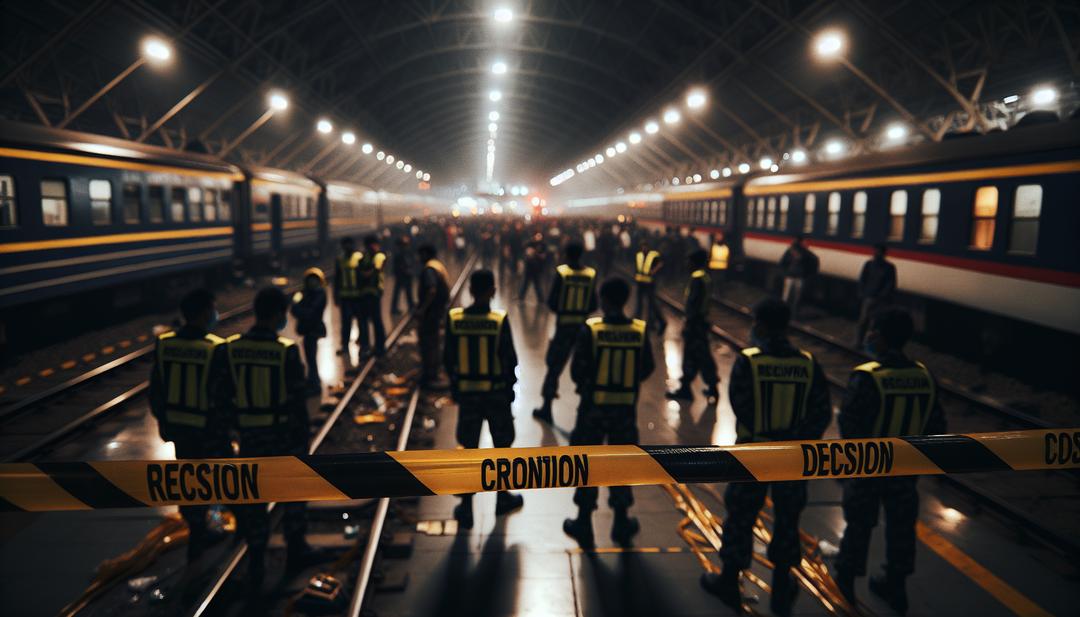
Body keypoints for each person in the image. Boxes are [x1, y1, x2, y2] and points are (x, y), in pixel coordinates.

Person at [701, 298, 831, 617]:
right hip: (792, 458)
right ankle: (783, 584)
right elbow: (820, 414)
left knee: (741, 517)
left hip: (752, 456)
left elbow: (741, 404)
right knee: (788, 520)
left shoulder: (750, 360)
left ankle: (730, 579)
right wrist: (794, 441)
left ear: (758, 324)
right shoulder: (808, 363)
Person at [834, 309, 945, 613]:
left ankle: (845, 582)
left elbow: (850, 424)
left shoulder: (868, 376)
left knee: (859, 523)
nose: (868, 335)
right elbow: (937, 427)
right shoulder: (924, 376)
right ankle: (896, 587)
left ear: (880, 336)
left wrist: (851, 464)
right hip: (906, 469)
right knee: (901, 527)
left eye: (872, 330)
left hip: (869, 468)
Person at [226, 288, 322, 591]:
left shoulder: (232, 348)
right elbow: (297, 401)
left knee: (255, 499)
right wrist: (302, 440)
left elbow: (223, 395)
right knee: (292, 494)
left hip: (250, 439)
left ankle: (256, 561)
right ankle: (296, 550)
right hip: (282, 437)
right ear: (280, 314)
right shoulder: (285, 350)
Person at [563, 277, 654, 549]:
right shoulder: (638, 330)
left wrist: (590, 385)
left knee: (587, 464)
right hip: (624, 412)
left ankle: (583, 522)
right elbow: (647, 366)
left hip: (592, 410)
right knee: (621, 465)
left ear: (603, 299)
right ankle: (621, 522)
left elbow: (577, 369)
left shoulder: (591, 329)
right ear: (625, 300)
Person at [148, 289, 230, 564]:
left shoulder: (165, 344)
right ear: (207, 312)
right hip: (209, 433)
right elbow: (224, 397)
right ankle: (229, 536)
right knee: (223, 481)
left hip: (179, 431)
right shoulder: (215, 346)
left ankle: (198, 532)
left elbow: (156, 391)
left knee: (188, 483)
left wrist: (164, 422)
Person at [443, 270, 524, 528]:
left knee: (468, 450)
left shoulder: (455, 319)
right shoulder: (499, 320)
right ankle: (502, 498)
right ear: (492, 290)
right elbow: (510, 359)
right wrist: (510, 389)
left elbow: (448, 358)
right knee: (502, 448)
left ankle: (466, 507)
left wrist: (456, 387)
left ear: (470, 291)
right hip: (496, 396)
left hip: (468, 397)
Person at [533, 242, 598, 422]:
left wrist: (564, 311)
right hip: (582, 331)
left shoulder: (562, 273)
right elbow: (594, 304)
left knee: (554, 367)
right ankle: (583, 411)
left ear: (566, 255)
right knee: (585, 370)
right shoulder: (590, 274)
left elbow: (552, 302)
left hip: (563, 330)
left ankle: (547, 408)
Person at [666, 250, 720, 403]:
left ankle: (688, 390)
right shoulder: (706, 277)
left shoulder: (697, 279)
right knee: (701, 356)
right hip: (701, 322)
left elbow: (693, 304)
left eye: (689, 261)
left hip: (695, 324)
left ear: (695, 263)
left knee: (695, 356)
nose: (686, 264)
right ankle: (708, 387)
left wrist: (688, 323)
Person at [416, 243, 451, 388]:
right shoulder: (437, 265)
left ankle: (430, 374)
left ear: (425, 254)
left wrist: (422, 309)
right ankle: (433, 372)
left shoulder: (429, 269)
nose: (418, 258)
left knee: (428, 343)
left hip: (431, 312)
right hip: (438, 310)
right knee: (434, 341)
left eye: (420, 255)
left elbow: (431, 290)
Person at [290, 268, 327, 394]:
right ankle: (312, 381)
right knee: (309, 356)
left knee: (311, 357)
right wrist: (302, 312)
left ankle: (315, 383)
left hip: (314, 330)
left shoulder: (320, 294)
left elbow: (311, 312)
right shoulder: (302, 293)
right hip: (306, 329)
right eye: (310, 280)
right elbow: (293, 307)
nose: (312, 282)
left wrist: (301, 311)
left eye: (314, 280)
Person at [854, 244, 898, 348]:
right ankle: (860, 342)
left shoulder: (888, 267)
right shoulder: (870, 264)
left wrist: (881, 296)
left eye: (878, 251)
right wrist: (863, 293)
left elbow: (890, 284)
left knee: (873, 323)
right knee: (865, 321)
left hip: (879, 299)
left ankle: (868, 344)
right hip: (870, 297)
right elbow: (862, 279)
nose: (876, 253)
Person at [355, 234, 387, 356]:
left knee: (375, 321)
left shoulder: (378, 256)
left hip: (374, 293)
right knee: (366, 322)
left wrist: (365, 273)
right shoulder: (364, 257)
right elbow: (365, 272)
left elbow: (372, 271)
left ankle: (379, 347)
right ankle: (369, 346)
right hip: (365, 293)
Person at [334, 237, 362, 355]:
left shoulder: (359, 258)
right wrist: (336, 296)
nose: (347, 247)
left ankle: (363, 343)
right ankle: (345, 345)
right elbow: (337, 279)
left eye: (349, 244)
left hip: (358, 296)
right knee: (346, 323)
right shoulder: (340, 259)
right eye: (345, 245)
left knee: (361, 321)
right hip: (345, 297)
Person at [779, 235, 818, 319]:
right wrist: (785, 274)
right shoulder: (790, 252)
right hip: (791, 277)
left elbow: (814, 260)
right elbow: (782, 263)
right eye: (804, 242)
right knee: (788, 298)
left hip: (798, 278)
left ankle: (791, 315)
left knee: (795, 299)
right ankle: (785, 314)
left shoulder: (804, 253)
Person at [633, 239, 667, 334]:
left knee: (651, 304)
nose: (644, 248)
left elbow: (661, 263)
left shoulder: (654, 255)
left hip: (649, 283)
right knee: (639, 303)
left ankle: (657, 322)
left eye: (645, 246)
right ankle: (637, 321)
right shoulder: (638, 255)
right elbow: (636, 267)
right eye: (642, 246)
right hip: (640, 282)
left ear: (649, 247)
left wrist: (654, 271)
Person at [390, 234, 416, 314]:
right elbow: (402, 264)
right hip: (403, 275)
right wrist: (407, 270)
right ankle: (409, 306)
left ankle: (396, 308)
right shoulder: (401, 253)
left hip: (402, 275)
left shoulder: (401, 252)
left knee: (400, 292)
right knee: (405, 291)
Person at [519, 232, 547, 302]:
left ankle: (541, 299)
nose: (538, 237)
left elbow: (543, 256)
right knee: (525, 283)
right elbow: (525, 250)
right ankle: (521, 297)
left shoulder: (543, 245)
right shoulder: (530, 243)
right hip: (529, 267)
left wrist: (536, 253)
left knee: (537, 284)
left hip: (536, 268)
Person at [708, 231, 730, 295]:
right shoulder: (725, 248)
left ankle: (717, 293)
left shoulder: (714, 247)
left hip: (717, 267)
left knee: (717, 281)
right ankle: (719, 294)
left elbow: (710, 256)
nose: (718, 238)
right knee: (718, 281)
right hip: (719, 267)